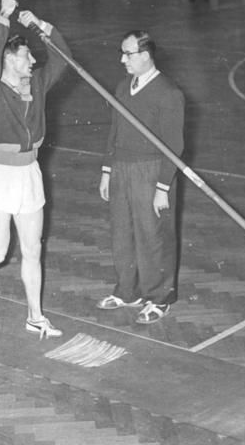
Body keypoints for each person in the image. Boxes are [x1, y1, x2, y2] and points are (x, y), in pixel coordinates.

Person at [0, 0, 71, 339]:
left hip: (30, 175)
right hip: (1, 177)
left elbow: (64, 57)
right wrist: (3, 17)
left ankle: (35, 316)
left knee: (32, 249)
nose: (31, 61)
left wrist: (40, 26)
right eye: (26, 56)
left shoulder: (35, 83)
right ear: (10, 59)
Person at [98, 31, 185, 325]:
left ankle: (160, 298)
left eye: (128, 54)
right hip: (122, 168)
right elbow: (113, 131)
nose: (123, 59)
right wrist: (107, 170)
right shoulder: (123, 87)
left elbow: (175, 145)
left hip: (151, 171)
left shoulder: (169, 92)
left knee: (153, 236)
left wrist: (163, 187)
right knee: (122, 232)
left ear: (145, 56)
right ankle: (128, 290)